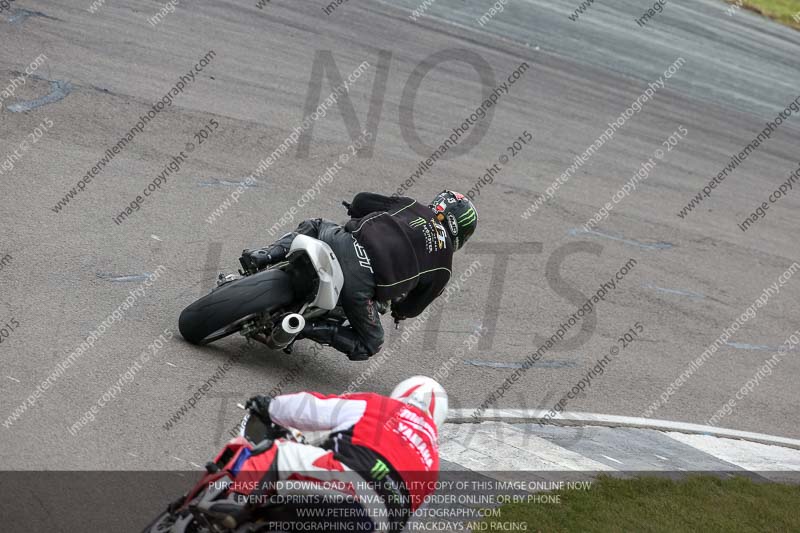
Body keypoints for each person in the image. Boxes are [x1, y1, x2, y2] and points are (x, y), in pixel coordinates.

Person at [240, 191, 478, 361]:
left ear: (438, 204)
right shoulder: (444, 267)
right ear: (463, 233)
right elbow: (413, 307)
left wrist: (355, 211)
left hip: (341, 241)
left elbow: (362, 200)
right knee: (371, 344)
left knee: (315, 224)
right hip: (360, 287)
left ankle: (263, 256)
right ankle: (302, 327)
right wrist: (399, 311)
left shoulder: (412, 205)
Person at [236, 376, 448, 532]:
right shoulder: (433, 464)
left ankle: (230, 506)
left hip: (346, 481)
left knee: (276, 454)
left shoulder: (381, 405)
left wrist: (271, 407)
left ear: (400, 394)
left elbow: (312, 409)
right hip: (378, 522)